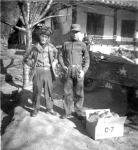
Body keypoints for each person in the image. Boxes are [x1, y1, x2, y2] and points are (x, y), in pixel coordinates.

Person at [24, 25, 58, 117]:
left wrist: (55, 62)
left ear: (48, 38)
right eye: (42, 36)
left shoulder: (51, 47)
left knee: (49, 90)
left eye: (46, 37)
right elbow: (26, 59)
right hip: (38, 72)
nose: (43, 38)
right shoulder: (34, 47)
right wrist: (33, 65)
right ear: (39, 36)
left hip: (48, 72)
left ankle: (50, 108)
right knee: (37, 90)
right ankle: (35, 108)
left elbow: (57, 57)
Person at [58, 24, 90, 119]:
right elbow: (60, 55)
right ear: (70, 32)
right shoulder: (65, 44)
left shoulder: (82, 45)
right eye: (73, 32)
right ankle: (67, 112)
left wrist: (84, 71)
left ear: (79, 33)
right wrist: (63, 66)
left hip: (79, 71)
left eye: (77, 32)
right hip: (68, 71)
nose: (75, 34)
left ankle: (78, 112)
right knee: (67, 92)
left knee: (79, 93)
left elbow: (87, 59)